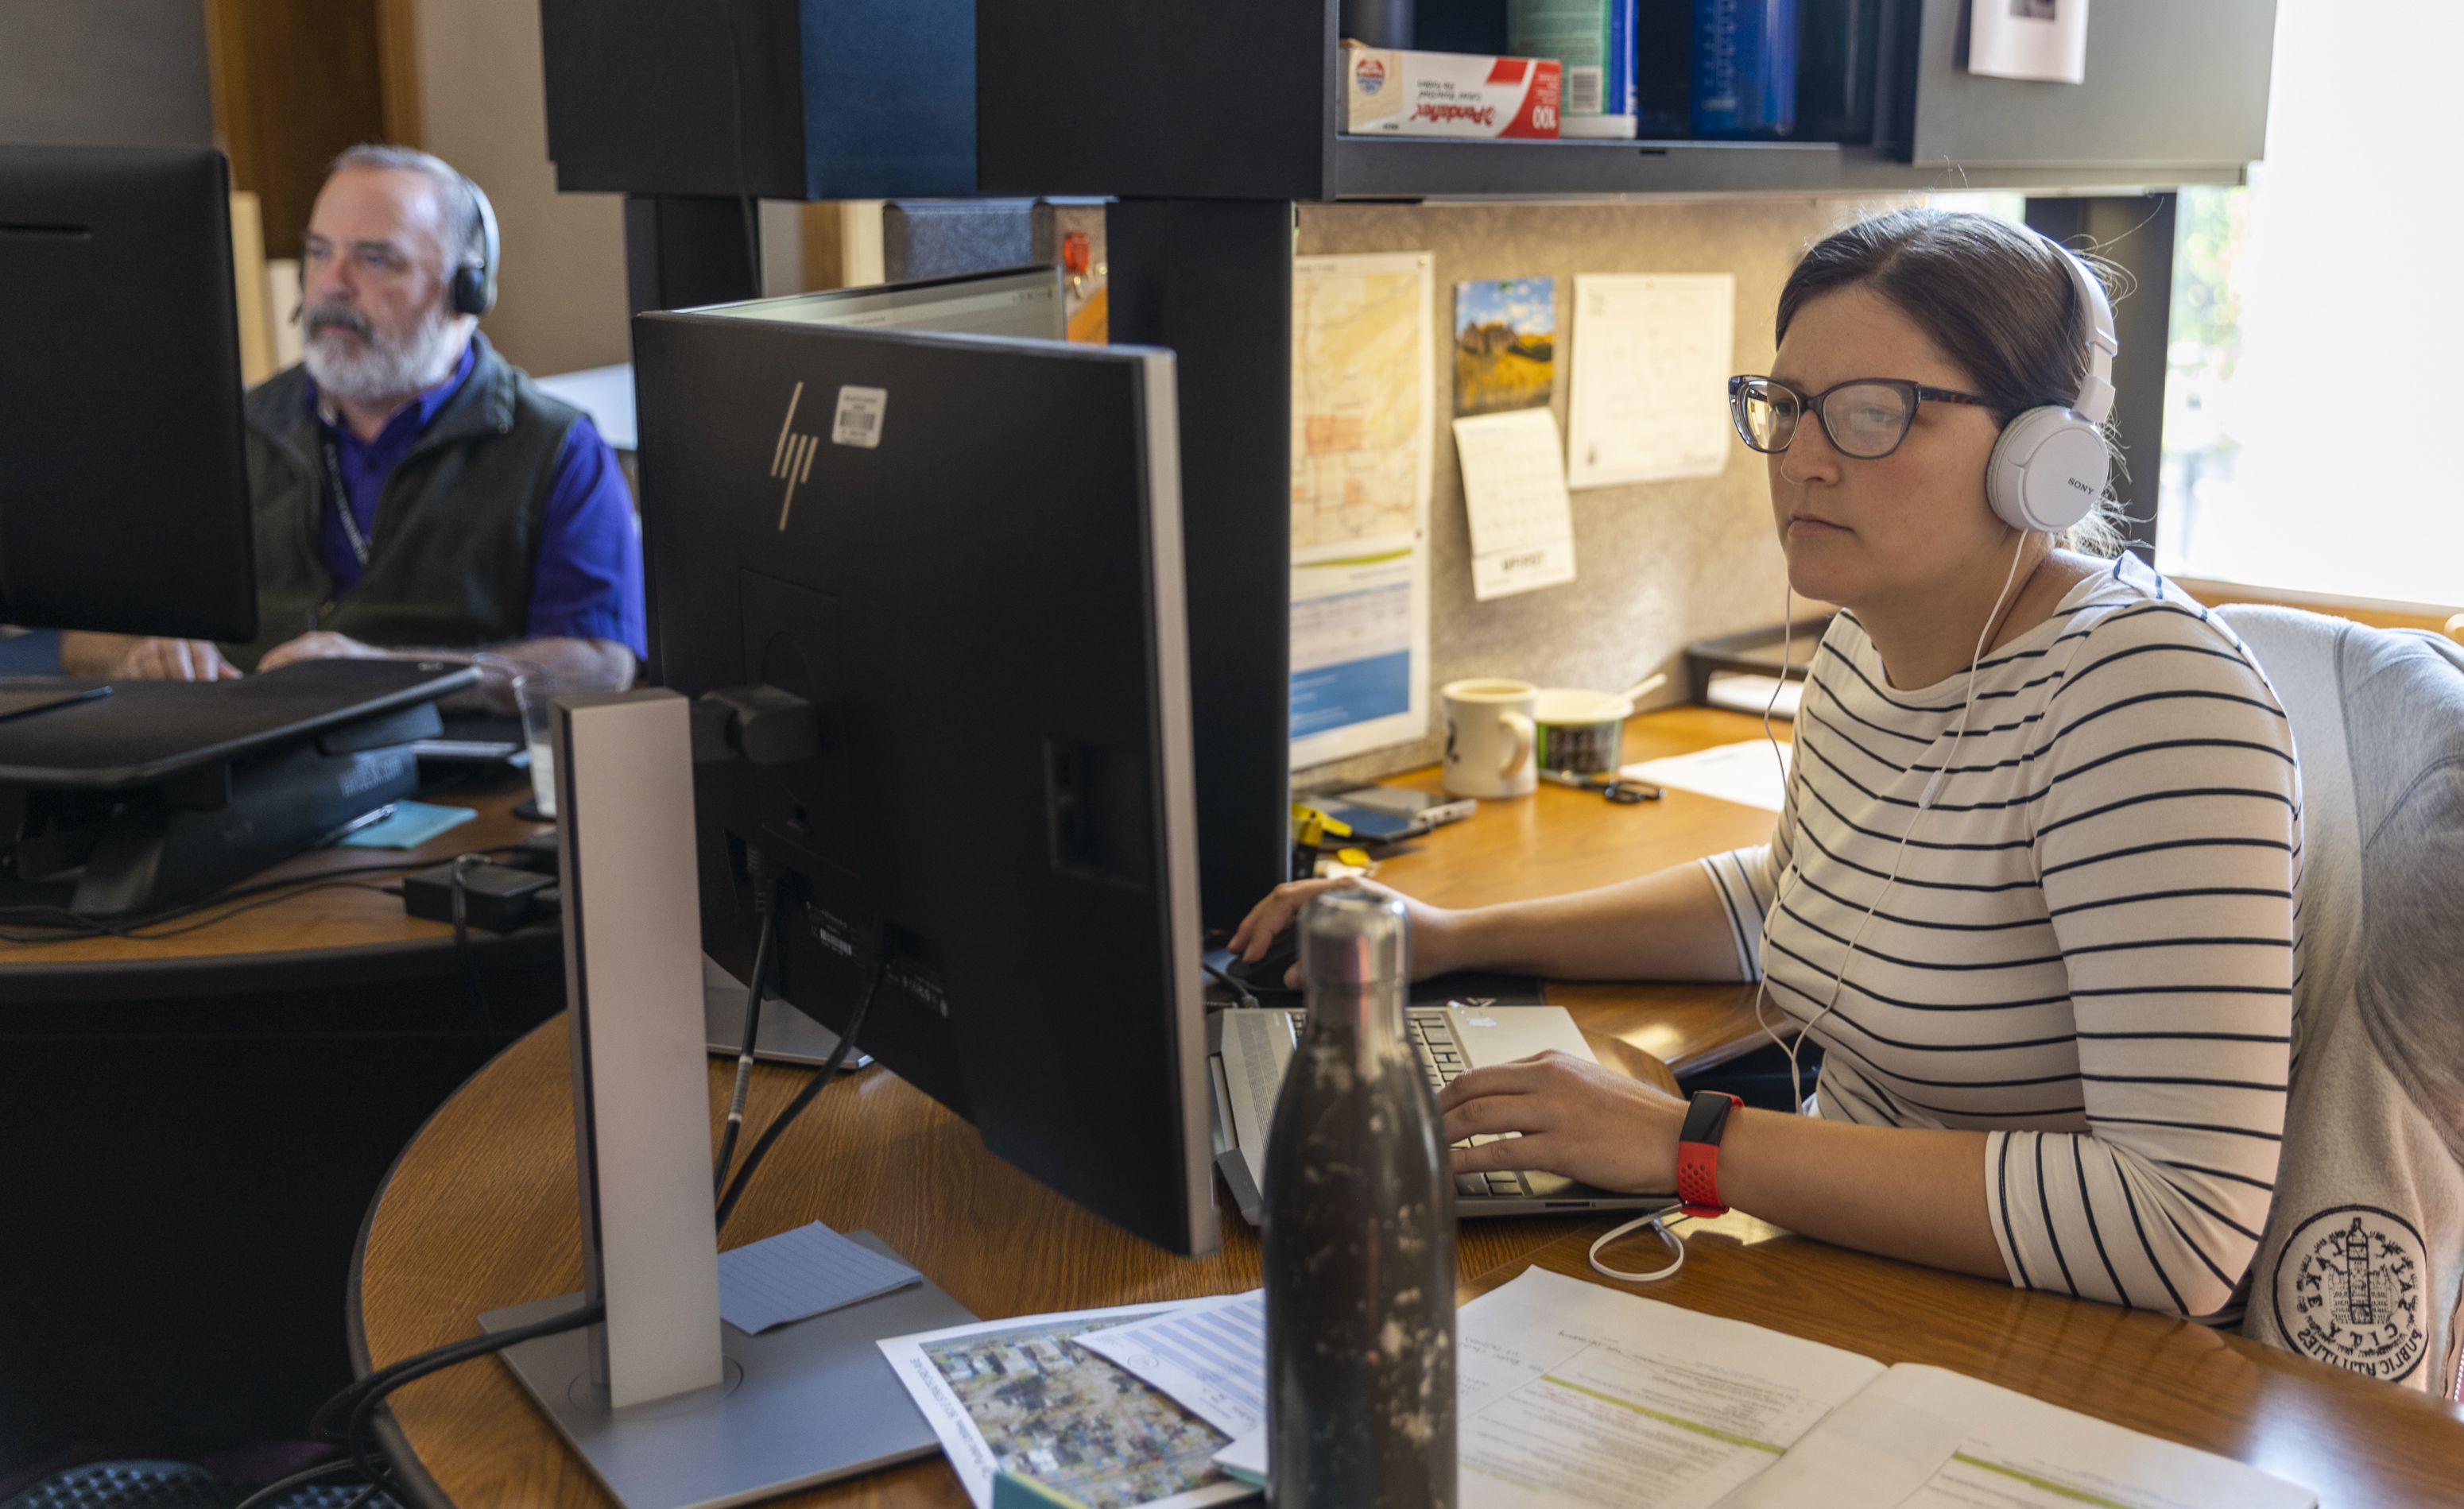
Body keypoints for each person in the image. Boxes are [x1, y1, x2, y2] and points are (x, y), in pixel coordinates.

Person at [1231, 208, 2303, 1320]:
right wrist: (1456, 933)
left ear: (2044, 459)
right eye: (1785, 409)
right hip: (1846, 1271)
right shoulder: (1866, 647)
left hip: (2053, 1346)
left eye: (1873, 415)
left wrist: (1691, 1143)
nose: (1804, 460)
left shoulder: (2149, 698)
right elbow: (1796, 892)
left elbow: (2180, 1224)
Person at [60, 145, 643, 706]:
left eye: (374, 258)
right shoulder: (225, 432)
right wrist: (140, 652)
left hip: (447, 779)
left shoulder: (556, 447)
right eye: (318, 252)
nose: (331, 284)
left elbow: (599, 666)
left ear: (465, 290)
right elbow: (84, 637)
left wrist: (389, 677)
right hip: (243, 764)